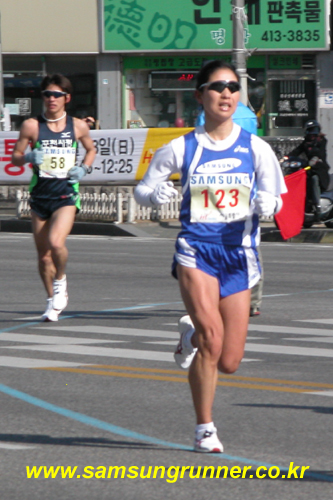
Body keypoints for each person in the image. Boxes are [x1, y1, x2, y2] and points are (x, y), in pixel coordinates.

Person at [134, 60, 286, 453]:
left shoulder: (256, 147)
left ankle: (190, 335)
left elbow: (275, 195)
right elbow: (142, 190)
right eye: (217, 87)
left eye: (233, 87)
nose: (226, 94)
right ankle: (205, 428)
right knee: (213, 340)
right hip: (196, 251)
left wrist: (267, 202)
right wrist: (155, 196)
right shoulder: (181, 147)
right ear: (200, 94)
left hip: (240, 255)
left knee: (230, 361)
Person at [12, 74, 96, 322]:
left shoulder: (77, 125)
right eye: (47, 94)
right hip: (40, 196)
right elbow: (15, 155)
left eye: (57, 95)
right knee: (43, 255)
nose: (51, 99)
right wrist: (27, 157)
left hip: (66, 195)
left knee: (56, 243)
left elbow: (91, 149)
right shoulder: (31, 126)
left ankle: (61, 280)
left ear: (66, 98)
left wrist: (84, 168)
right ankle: (51, 301)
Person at [197, 102, 263, 316]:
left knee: (210, 249)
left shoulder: (206, 115)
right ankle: (251, 301)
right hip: (241, 197)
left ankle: (216, 297)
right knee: (248, 250)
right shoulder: (248, 120)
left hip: (211, 198)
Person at [286, 120, 330, 221]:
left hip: (319, 169)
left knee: (314, 179)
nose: (311, 133)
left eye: (313, 130)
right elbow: (297, 151)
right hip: (308, 168)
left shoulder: (322, 141)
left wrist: (315, 159)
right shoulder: (306, 142)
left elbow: (321, 153)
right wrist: (286, 157)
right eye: (309, 130)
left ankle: (317, 205)